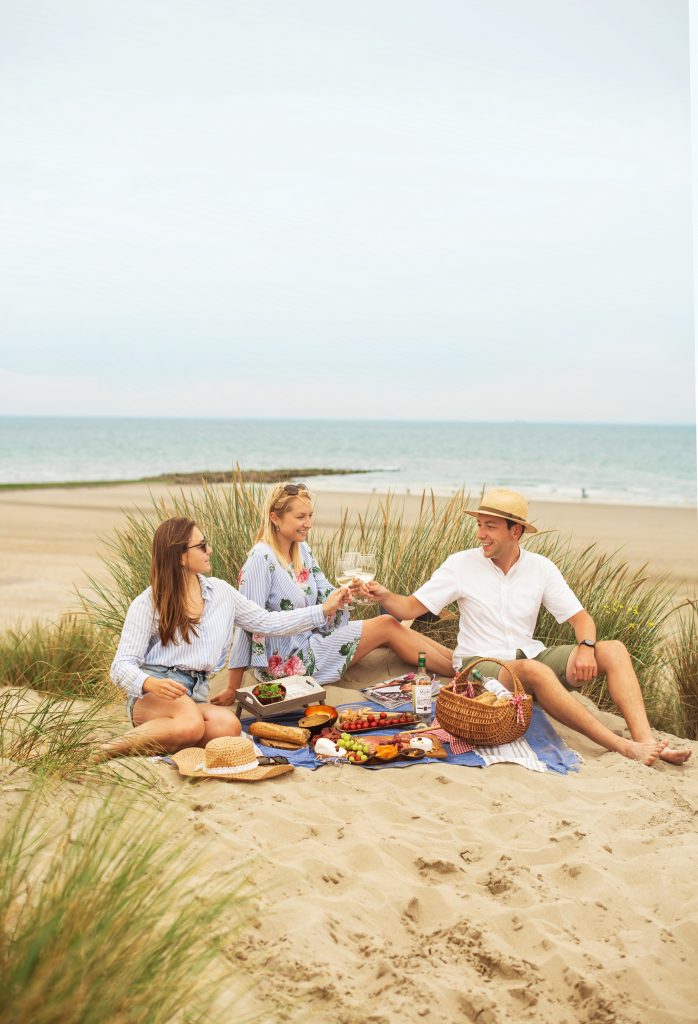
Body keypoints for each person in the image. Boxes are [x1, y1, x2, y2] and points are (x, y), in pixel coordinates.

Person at [366, 488, 690, 767]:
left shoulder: (541, 568)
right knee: (532, 671)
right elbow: (408, 608)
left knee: (614, 650)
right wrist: (384, 595)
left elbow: (582, 619)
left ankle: (648, 741)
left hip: (530, 656)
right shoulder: (460, 565)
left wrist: (587, 648)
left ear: (515, 531)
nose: (481, 534)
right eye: (479, 525)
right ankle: (624, 747)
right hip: (479, 668)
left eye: (490, 527)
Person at [101, 516, 351, 759]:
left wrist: (323, 610)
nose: (209, 549)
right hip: (157, 691)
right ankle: (107, 749)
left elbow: (266, 622)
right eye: (201, 546)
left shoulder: (220, 592)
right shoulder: (148, 602)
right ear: (180, 557)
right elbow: (120, 666)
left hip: (195, 694)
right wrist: (149, 683)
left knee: (228, 728)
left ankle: (164, 735)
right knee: (191, 725)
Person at [212, 483, 454, 707]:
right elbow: (248, 624)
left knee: (388, 624)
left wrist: (346, 593)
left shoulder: (301, 549)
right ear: (275, 518)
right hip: (286, 665)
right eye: (300, 517)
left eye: (310, 516)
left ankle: (460, 662)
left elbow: (326, 590)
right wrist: (233, 686)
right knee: (386, 625)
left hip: (311, 643)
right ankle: (460, 672)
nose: (308, 523)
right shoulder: (260, 559)